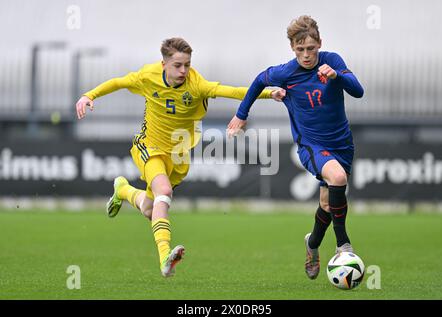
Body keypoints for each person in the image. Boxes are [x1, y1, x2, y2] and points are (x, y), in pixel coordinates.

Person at [75, 37, 284, 278]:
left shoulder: (196, 85)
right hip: (149, 147)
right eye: (178, 65)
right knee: (164, 190)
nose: (184, 70)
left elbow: (234, 91)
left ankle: (123, 190)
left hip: (179, 153)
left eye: (187, 64)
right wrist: (88, 95)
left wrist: (270, 94)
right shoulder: (147, 76)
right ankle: (164, 255)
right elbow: (118, 82)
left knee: (150, 209)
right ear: (164, 64)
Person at [227, 16, 364, 280]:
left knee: (326, 204)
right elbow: (258, 81)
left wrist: (337, 76)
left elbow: (358, 91)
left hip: (342, 144)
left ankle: (312, 244)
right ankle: (343, 246)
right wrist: (241, 115)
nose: (306, 55)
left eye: (311, 49)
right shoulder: (286, 72)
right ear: (292, 48)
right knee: (338, 178)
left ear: (319, 44)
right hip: (311, 145)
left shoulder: (332, 61)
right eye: (300, 49)